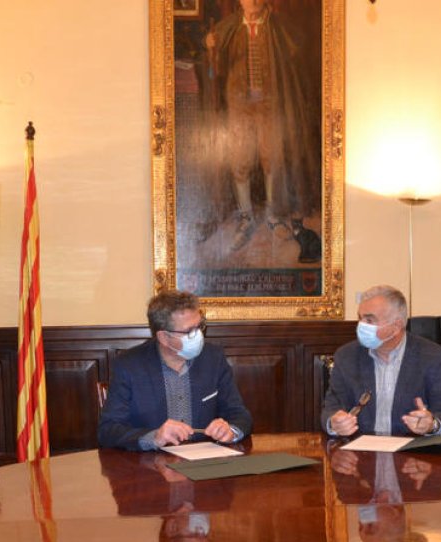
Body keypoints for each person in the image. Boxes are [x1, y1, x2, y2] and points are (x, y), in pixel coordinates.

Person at [204, 0, 320, 253]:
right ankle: (246, 218)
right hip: (239, 104)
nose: (253, 1)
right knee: (240, 160)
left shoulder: (279, 27)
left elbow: (295, 57)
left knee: (272, 157)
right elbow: (214, 66)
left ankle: (273, 216)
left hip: (271, 103)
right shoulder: (227, 27)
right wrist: (210, 47)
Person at [98, 290, 253, 450]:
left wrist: (231, 430)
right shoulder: (129, 366)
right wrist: (155, 437)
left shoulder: (213, 358)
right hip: (150, 466)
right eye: (189, 331)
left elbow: (240, 415)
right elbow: (108, 430)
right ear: (164, 337)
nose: (198, 335)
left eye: (199, 326)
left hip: (205, 462)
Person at [322, 285, 441, 437]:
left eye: (370, 320)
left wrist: (432, 424)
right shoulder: (346, 356)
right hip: (360, 453)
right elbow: (331, 407)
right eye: (360, 318)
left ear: (396, 325)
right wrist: (334, 423)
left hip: (413, 454)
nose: (361, 326)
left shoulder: (431, 356)